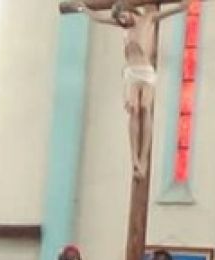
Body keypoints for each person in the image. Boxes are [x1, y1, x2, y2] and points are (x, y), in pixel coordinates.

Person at [66, 0, 187, 178]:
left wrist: (184, 5)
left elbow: (172, 11)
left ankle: (143, 158)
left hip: (145, 71)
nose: (122, 21)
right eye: (120, 20)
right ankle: (135, 160)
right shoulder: (122, 25)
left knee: (145, 108)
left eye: (123, 17)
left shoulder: (147, 19)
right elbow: (98, 18)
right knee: (133, 109)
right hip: (131, 72)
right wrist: (84, 9)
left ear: (129, 11)